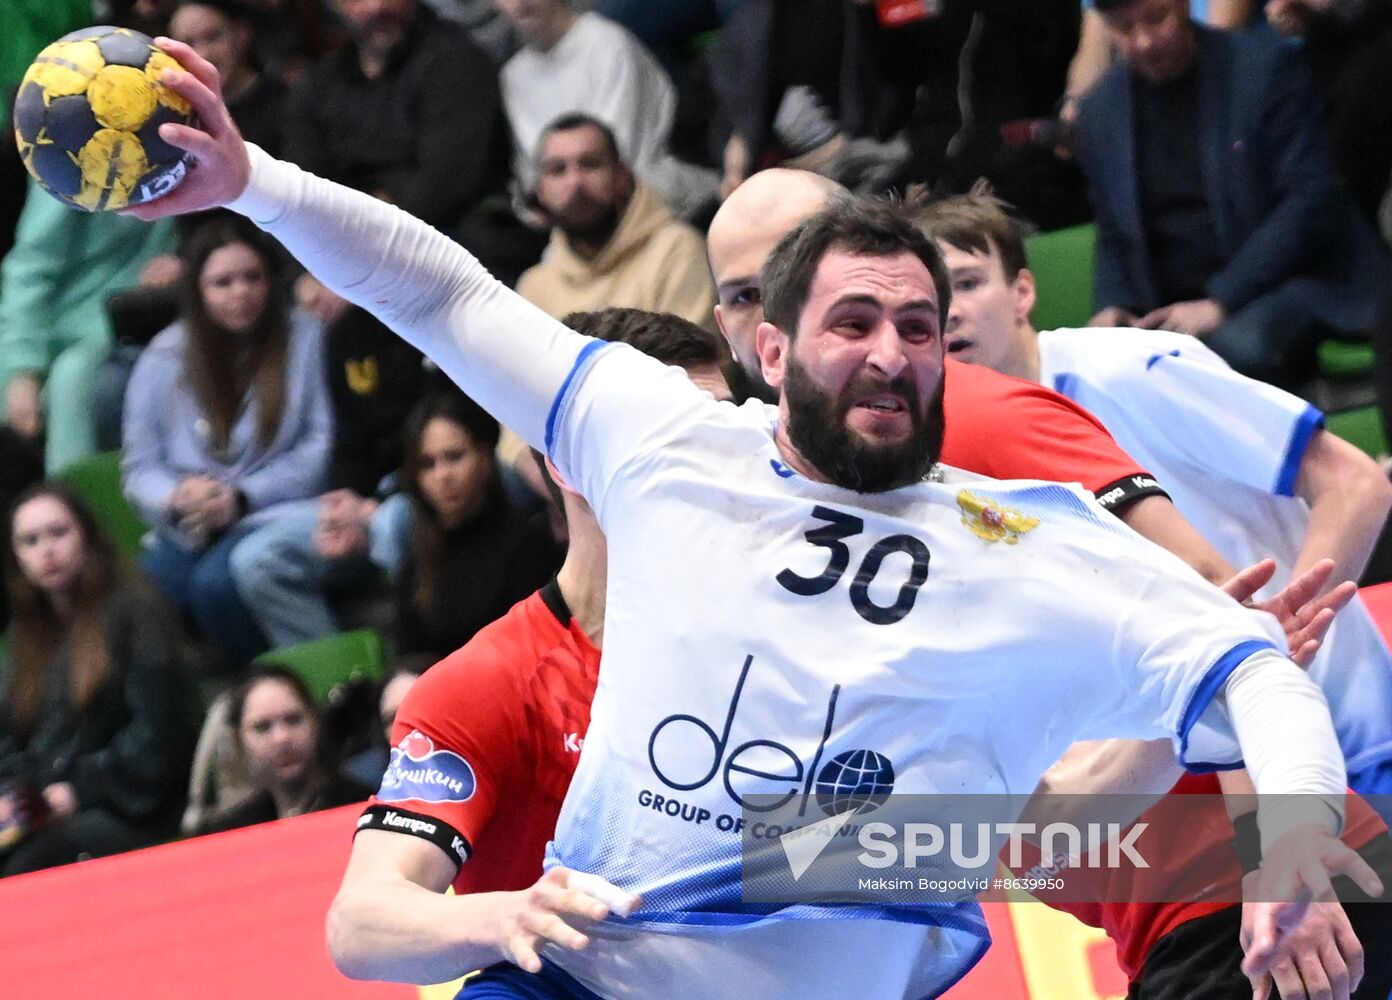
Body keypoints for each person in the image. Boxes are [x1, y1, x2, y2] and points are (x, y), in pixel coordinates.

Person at [132, 43, 1377, 997]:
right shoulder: (661, 439)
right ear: (767, 346)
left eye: (920, 331)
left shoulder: (1025, 535)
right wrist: (258, 183)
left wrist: (1292, 848)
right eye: (853, 324)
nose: (891, 354)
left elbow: (1253, 666)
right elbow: (444, 292)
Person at [913, 186, 1392, 997]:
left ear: (1024, 291)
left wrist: (1272, 651)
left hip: (1335, 751)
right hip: (1201, 822)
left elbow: (1352, 485)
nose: (949, 316)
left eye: (966, 282)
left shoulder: (1125, 371)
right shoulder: (942, 483)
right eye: (929, 301)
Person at [330, 308, 733, 983]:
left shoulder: (791, 642)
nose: (731, 461)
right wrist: (506, 918)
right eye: (682, 435)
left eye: (732, 430)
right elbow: (361, 922)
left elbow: (866, 854)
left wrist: (956, 849)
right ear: (571, 464)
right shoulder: (494, 683)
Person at [1074, 0, 1386, 389]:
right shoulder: (1100, 110)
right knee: (1100, 370)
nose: (1144, 42)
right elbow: (1114, 227)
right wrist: (1112, 305)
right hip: (1171, 303)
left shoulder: (1261, 69)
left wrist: (1221, 300)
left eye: (1157, 20)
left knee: (1231, 349)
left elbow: (1310, 200)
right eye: (1124, 29)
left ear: (1185, 6)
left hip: (1286, 281)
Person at [122, 217, 332, 672]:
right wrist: (177, 496)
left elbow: (318, 446)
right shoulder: (163, 356)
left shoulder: (304, 336)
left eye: (251, 277)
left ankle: (268, 685)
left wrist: (242, 497)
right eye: (222, 282)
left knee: (217, 585)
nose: (240, 293)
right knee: (143, 589)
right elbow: (139, 468)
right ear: (197, 290)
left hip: (272, 511)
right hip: (190, 521)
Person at [0, 483, 200, 876]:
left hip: (130, 809)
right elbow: (9, 740)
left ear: (87, 537)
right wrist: (16, 796)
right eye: (30, 541)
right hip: (46, 810)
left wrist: (78, 791)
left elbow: (161, 735)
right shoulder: (24, 635)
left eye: (59, 533)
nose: (47, 550)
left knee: (25, 868)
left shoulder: (135, 612)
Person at [0, 187, 177, 472]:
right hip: (53, 333)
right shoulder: (66, 158)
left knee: (75, 378)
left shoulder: (183, 154)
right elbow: (30, 269)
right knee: (58, 382)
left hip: (135, 325)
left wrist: (186, 262)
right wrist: (23, 371)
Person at [494, 0, 719, 220]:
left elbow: (620, 158)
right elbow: (530, 173)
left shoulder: (608, 44)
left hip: (653, 200)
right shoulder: (512, 76)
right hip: (569, 219)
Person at [387, 390, 561, 660]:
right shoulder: (416, 558)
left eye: (454, 456)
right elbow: (407, 654)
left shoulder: (527, 547)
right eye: (427, 464)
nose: (442, 475)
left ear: (484, 455)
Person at [517, 114, 716, 330]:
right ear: (540, 191)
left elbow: (692, 360)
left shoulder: (676, 250)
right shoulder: (533, 288)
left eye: (590, 164)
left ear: (622, 176)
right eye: (557, 169)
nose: (575, 181)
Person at [190, 664, 373, 835]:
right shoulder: (234, 831)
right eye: (262, 727)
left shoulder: (367, 809)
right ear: (239, 740)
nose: (281, 738)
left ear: (316, 723)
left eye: (293, 720)